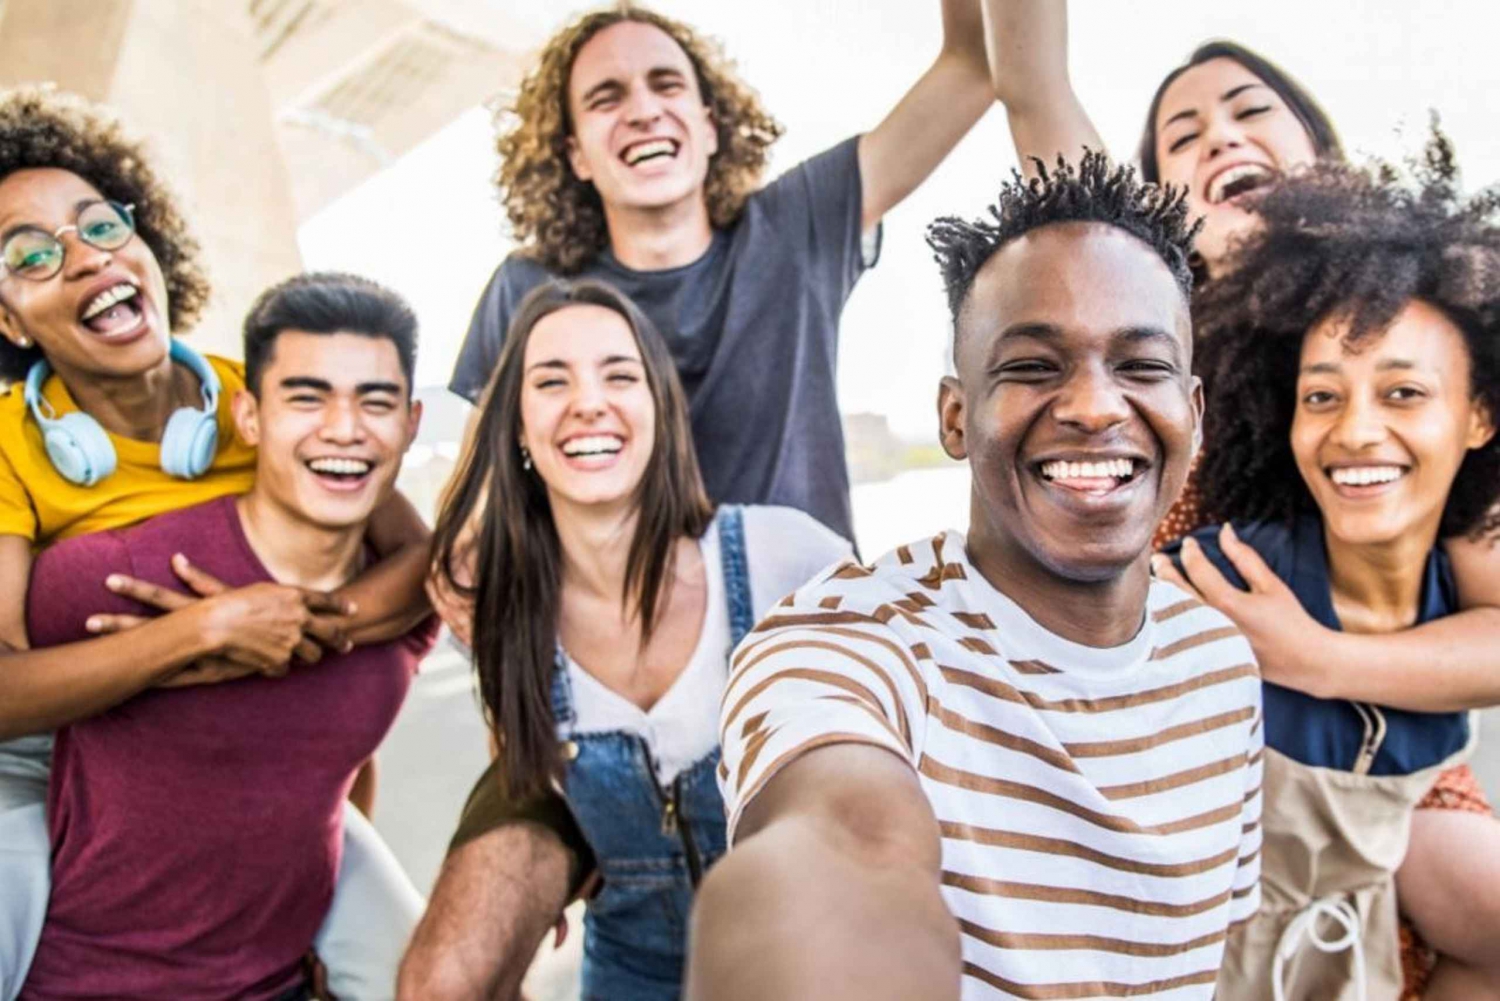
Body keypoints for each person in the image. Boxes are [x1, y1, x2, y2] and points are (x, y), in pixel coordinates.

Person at [982, 5, 1500, 993]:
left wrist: (1316, 655)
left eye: (1248, 110)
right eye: (1181, 135)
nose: (1216, 134)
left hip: (1372, 758)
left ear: (1322, 153)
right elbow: (1033, 85)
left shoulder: (1420, 333)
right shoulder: (1137, 329)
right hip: (1176, 773)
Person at [687, 154, 1263, 1001]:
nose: (1096, 407)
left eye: (1140, 367)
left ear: (1195, 414)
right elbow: (845, 844)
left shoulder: (1222, 665)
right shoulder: (850, 641)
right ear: (957, 418)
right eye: (1033, 366)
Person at [0, 89, 430, 1001]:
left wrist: (305, 625)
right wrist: (201, 633)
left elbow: (420, 565)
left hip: (271, 774)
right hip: (42, 765)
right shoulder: (7, 446)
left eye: (100, 225)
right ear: (8, 321)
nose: (84, 258)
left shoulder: (263, 398)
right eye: (30, 255)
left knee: (433, 971)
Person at [399, 279, 850, 999]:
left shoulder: (785, 560)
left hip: (806, 957)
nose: (588, 401)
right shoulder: (498, 610)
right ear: (517, 425)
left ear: (658, 408)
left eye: (619, 374)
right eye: (551, 381)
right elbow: (519, 748)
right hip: (632, 968)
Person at [447, 1, 997, 543]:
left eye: (666, 85)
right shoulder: (530, 289)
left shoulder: (796, 227)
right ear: (576, 155)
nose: (642, 111)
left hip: (804, 620)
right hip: (607, 623)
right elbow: (477, 494)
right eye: (605, 98)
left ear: (710, 127)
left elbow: (974, 66)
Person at [1158, 149, 1500, 1001]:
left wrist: (1313, 656)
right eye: (1321, 396)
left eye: (1403, 393)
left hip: (1354, 957)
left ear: (1479, 415)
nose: (1354, 430)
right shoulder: (1229, 576)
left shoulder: (1451, 601)